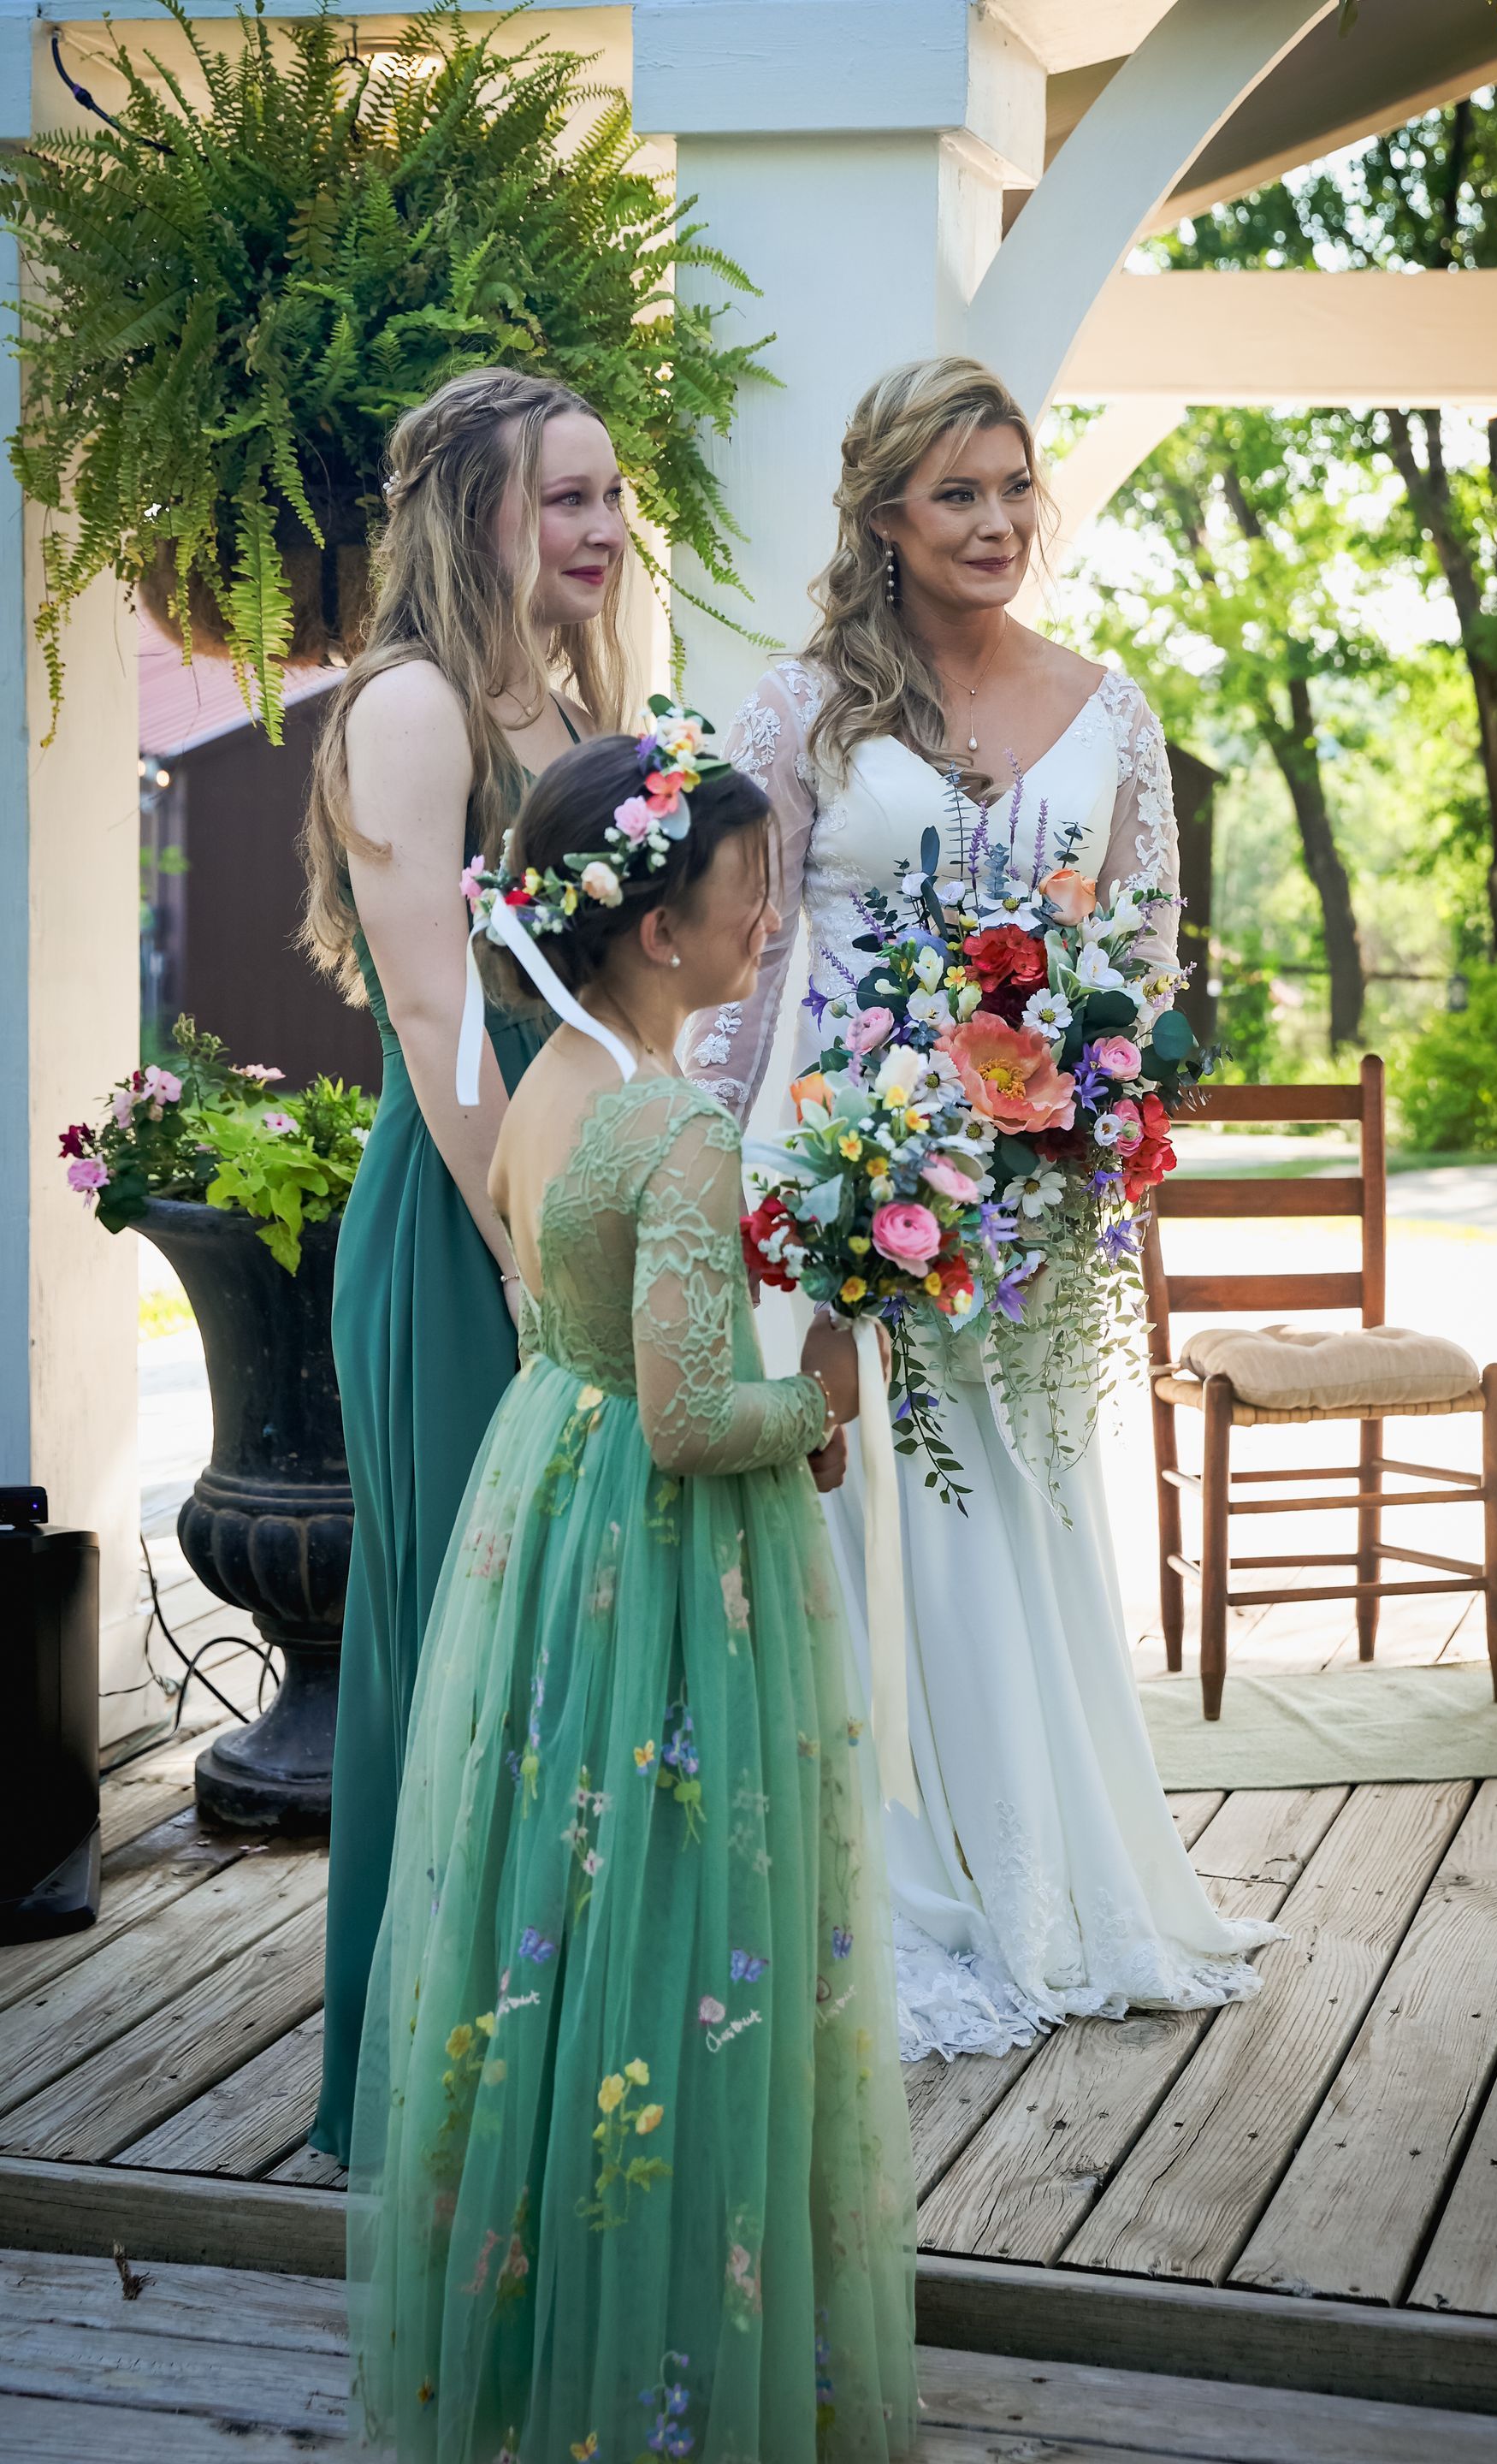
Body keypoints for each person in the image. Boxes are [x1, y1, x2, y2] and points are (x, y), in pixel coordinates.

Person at [683, 355, 1279, 2063]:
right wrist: (707, 1177)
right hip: (840, 1180)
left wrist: (1089, 1121)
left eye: (1015, 487)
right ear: (885, 514)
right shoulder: (801, 713)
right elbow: (745, 966)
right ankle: (893, 1874)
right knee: (869, 1512)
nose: (998, 522)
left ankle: (1039, 1870)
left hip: (1028, 1197)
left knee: (1014, 1513)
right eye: (958, 494)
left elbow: (1148, 964)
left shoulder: (1109, 707)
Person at [347, 724, 917, 2463]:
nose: (769, 927)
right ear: (657, 925)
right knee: (685, 1906)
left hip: (547, 1518)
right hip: (665, 1560)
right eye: (750, 895)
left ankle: (535, 2348)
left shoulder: (548, 1086)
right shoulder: (670, 1120)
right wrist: (819, 1401)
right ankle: (685, 2356)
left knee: (563, 1906)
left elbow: (571, 1337)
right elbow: (686, 1420)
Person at [301, 367, 631, 2160]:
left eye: (606, 498)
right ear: (473, 509)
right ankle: (426, 2102)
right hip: (463, 1222)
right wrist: (528, 1242)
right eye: (560, 498)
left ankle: (562, 2062)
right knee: (462, 1639)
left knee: (567, 1638)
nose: (597, 530)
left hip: (562, 1201)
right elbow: (437, 1009)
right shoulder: (416, 707)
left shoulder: (562, 698)